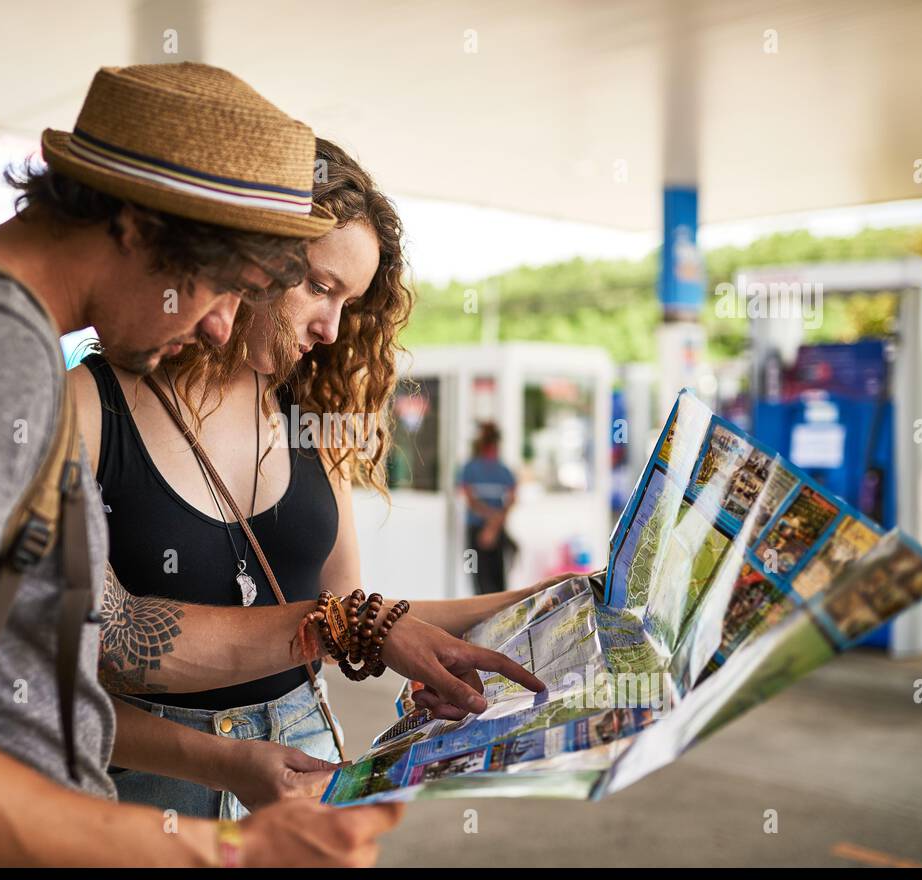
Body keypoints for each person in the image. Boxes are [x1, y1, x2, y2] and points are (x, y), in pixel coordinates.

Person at [0, 63, 412, 866]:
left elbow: (97, 644)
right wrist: (227, 851)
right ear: (135, 224)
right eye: (220, 285)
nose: (219, 331)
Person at [71, 139, 562, 819]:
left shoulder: (311, 422)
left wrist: (540, 601)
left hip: (301, 765)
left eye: (350, 303)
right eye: (319, 286)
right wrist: (356, 629)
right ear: (246, 257)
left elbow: (354, 609)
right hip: (147, 784)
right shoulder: (91, 406)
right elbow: (93, 655)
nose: (332, 328)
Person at [459, 422, 517, 595]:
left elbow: (471, 500)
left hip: (488, 529)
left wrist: (491, 525)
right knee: (485, 577)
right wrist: (494, 521)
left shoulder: (498, 470)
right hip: (483, 529)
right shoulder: (475, 469)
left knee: (481, 577)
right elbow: (471, 500)